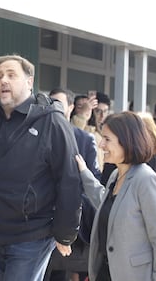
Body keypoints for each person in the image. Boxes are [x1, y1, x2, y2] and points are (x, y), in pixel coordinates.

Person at [0, 54, 82, 281]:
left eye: (11, 75)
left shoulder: (52, 122)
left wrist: (65, 234)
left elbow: (69, 180)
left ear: (29, 81)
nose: (3, 80)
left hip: (31, 236)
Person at [75, 111, 156, 280]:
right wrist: (84, 172)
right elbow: (106, 201)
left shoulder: (146, 181)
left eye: (107, 139)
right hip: (107, 272)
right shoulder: (115, 176)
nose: (101, 145)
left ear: (127, 142)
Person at [46, 88, 100, 281]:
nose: (54, 108)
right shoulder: (35, 135)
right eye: (50, 102)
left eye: (59, 104)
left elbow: (93, 181)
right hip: (39, 219)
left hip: (71, 219)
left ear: (70, 108)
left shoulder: (84, 139)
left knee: (62, 272)